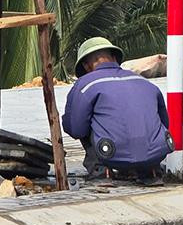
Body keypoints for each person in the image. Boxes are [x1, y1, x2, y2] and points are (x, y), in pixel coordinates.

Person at [62, 36, 172, 184]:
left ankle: (102, 172)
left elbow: (75, 128)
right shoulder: (144, 83)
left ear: (86, 66)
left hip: (110, 153)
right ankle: (150, 172)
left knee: (85, 123)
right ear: (114, 58)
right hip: (156, 153)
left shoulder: (85, 84)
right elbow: (165, 121)